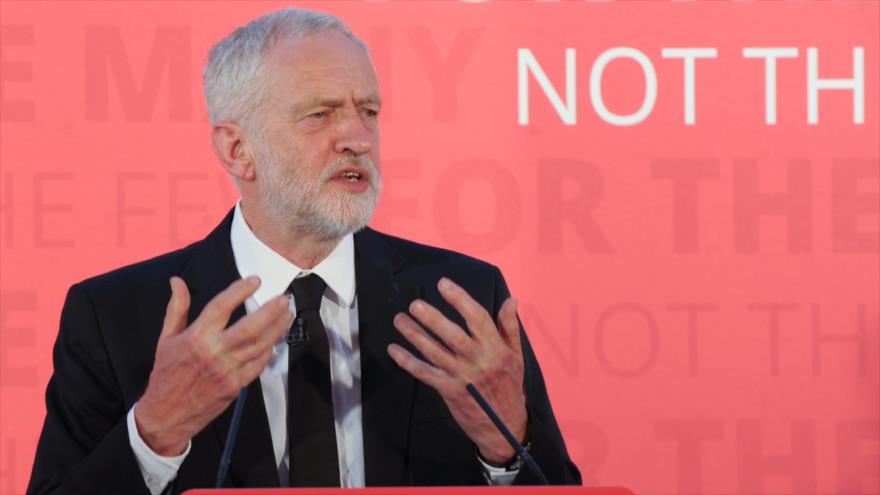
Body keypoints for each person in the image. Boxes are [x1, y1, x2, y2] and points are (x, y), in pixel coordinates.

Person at [27, 8, 581, 494]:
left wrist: (505, 446)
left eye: (368, 111)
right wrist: (154, 435)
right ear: (238, 150)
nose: (358, 138)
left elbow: (560, 489)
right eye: (320, 114)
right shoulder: (116, 317)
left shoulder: (459, 300)